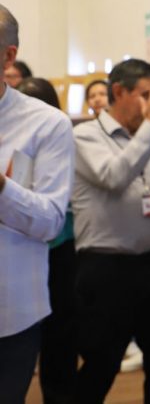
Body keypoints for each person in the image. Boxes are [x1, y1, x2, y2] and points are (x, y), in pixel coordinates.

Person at [71, 58, 150, 404]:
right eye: (147, 95)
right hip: (106, 269)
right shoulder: (85, 136)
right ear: (119, 92)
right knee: (101, 366)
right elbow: (114, 177)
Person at [0, 5, 74, 403]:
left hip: (10, 314)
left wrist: (1, 188)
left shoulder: (46, 125)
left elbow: (49, 222)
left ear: (8, 56)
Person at [17, 78, 81, 404]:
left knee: (61, 334)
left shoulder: (60, 135)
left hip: (60, 249)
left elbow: (56, 211)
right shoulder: (17, 140)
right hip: (25, 249)